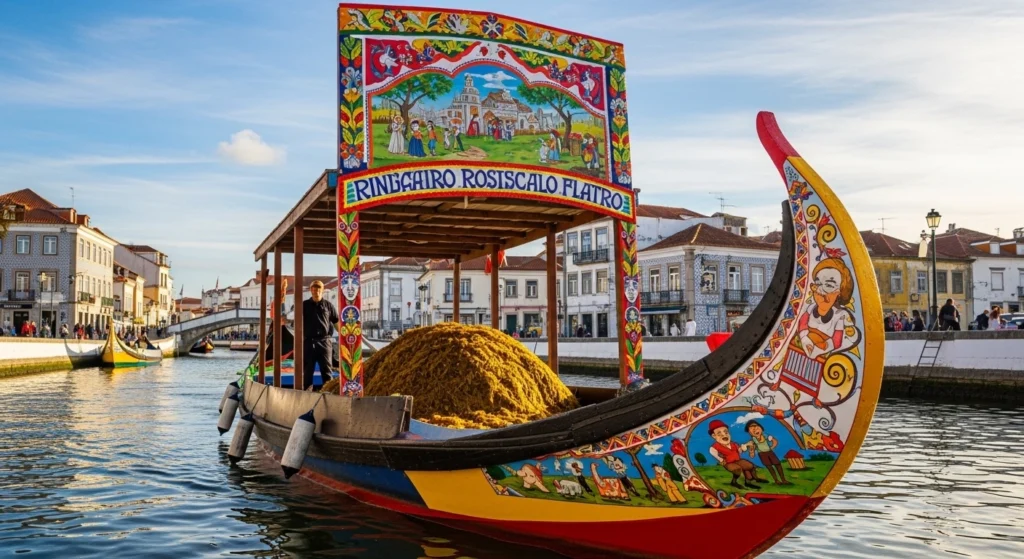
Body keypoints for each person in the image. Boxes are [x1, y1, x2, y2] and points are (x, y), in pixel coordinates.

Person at [303, 280, 340, 391]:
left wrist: (344, 337)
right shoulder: (304, 305)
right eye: (314, 290)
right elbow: (295, 322)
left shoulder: (328, 306)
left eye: (318, 289)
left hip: (324, 341)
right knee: (308, 370)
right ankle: (307, 392)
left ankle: (328, 391)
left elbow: (336, 322)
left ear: (322, 290)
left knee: (326, 369)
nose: (316, 292)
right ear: (311, 291)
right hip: (309, 342)